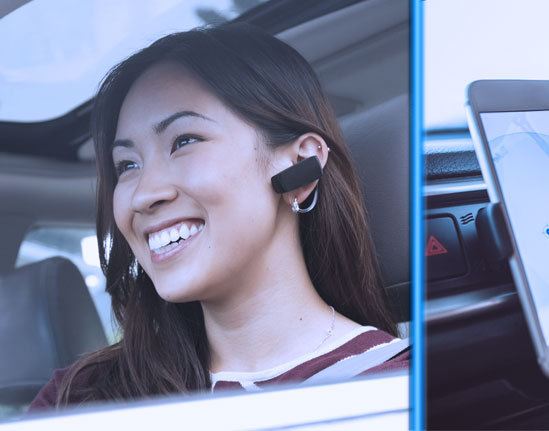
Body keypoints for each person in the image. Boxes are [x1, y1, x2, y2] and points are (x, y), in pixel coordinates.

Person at [29, 22, 408, 409]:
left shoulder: (405, 386)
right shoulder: (80, 397)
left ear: (301, 165)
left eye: (184, 141)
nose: (143, 195)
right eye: (127, 165)